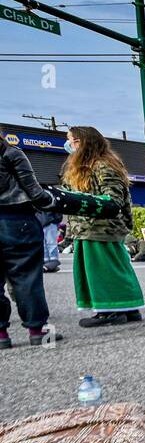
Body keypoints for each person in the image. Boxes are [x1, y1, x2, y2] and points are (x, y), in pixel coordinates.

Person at [61, 126, 145, 329]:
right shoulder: (98, 164)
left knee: (101, 271)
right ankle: (127, 308)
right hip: (95, 227)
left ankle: (110, 310)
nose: (69, 144)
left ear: (81, 142)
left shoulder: (101, 165)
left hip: (98, 227)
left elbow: (113, 200)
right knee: (113, 269)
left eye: (71, 140)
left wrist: (78, 200)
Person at [0, 129, 61, 348]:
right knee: (27, 278)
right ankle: (39, 332)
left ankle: (2, 336)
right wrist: (54, 201)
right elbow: (35, 193)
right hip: (16, 220)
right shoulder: (11, 153)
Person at [37, 208, 62, 273]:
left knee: (50, 243)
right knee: (45, 244)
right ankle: (48, 262)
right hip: (44, 220)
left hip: (48, 221)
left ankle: (52, 261)